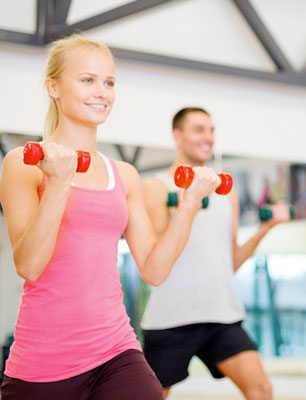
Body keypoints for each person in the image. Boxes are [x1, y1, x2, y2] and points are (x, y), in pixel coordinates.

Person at [0, 35, 220, 399]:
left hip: (114, 349)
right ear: (53, 87)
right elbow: (29, 265)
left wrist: (190, 204)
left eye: (109, 82)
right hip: (42, 363)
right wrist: (58, 183)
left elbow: (154, 269)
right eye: (87, 80)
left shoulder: (125, 175)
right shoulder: (24, 164)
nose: (101, 92)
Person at [141, 107, 289, 400]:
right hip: (171, 318)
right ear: (177, 136)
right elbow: (155, 260)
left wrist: (264, 229)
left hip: (221, 314)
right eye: (199, 130)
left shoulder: (226, 191)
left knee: (261, 390)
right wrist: (186, 206)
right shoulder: (157, 188)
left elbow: (230, 261)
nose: (208, 138)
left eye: (211, 131)